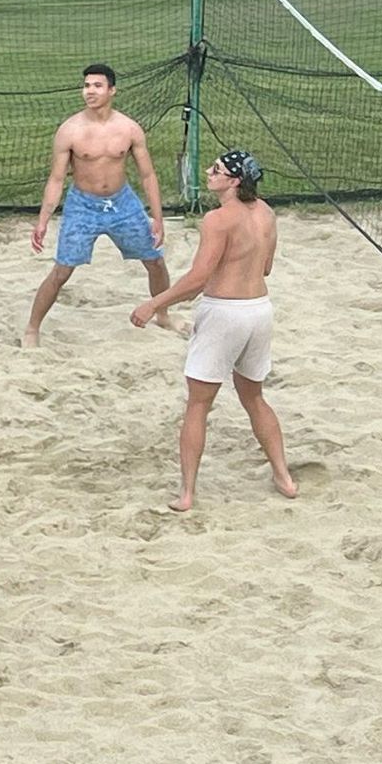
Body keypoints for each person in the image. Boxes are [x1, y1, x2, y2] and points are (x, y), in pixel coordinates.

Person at [131, 149, 297, 511]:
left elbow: (198, 279)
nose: (209, 171)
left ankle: (187, 493)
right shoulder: (267, 213)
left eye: (217, 169)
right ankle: (284, 476)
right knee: (254, 398)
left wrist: (155, 304)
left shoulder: (218, 220)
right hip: (259, 311)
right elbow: (266, 268)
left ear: (234, 181)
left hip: (225, 314)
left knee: (198, 405)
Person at [24, 62, 173, 346]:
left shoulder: (129, 128)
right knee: (61, 271)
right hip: (83, 205)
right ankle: (32, 327)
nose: (89, 91)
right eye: (86, 85)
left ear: (112, 90)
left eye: (97, 86)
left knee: (155, 261)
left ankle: (162, 314)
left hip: (123, 203)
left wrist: (158, 218)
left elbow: (148, 174)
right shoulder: (70, 130)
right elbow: (56, 180)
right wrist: (43, 221)